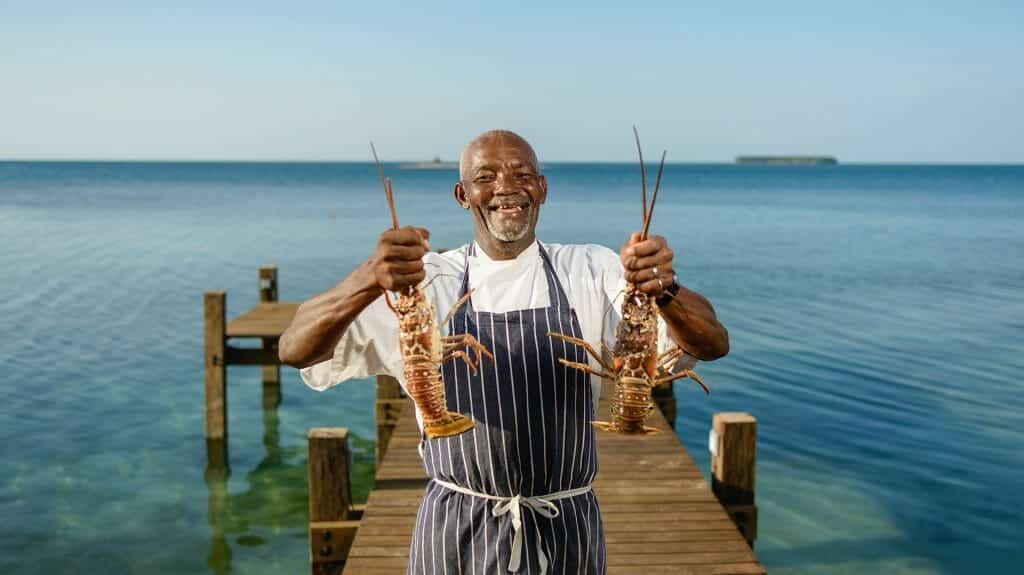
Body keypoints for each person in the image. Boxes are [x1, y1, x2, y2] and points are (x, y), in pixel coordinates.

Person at [278, 130, 729, 574]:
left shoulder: (592, 268)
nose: (506, 186)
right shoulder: (426, 277)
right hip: (455, 529)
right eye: (486, 176)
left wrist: (664, 287)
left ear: (543, 189)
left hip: (566, 525)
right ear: (462, 194)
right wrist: (367, 279)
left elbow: (712, 344)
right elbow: (296, 349)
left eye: (522, 173)